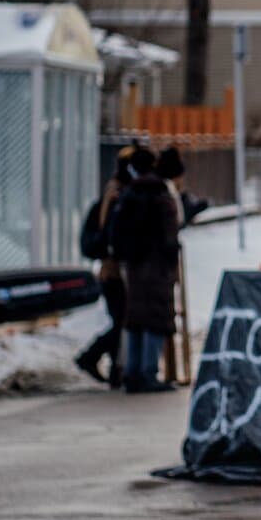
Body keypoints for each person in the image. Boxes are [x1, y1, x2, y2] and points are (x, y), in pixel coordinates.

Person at [108, 147, 180, 393]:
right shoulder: (160, 194)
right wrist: (171, 261)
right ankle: (149, 372)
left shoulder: (130, 192)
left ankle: (132, 372)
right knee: (156, 319)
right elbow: (169, 234)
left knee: (136, 318)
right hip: (157, 264)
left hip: (134, 265)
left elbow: (116, 230)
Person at [75, 146, 135, 387]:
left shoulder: (108, 197)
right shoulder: (117, 199)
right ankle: (92, 357)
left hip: (109, 271)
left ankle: (114, 368)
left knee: (121, 319)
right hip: (115, 271)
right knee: (123, 320)